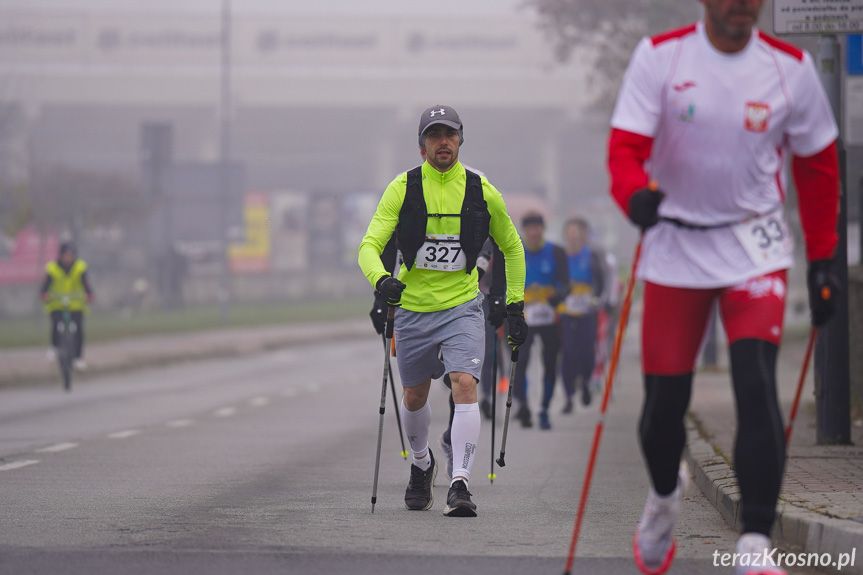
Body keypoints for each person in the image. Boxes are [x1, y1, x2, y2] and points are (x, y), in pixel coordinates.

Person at [608, 2, 840, 574]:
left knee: (757, 384)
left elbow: (818, 165)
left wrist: (824, 257)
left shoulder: (791, 67)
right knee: (665, 408)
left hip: (753, 245)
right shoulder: (661, 58)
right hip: (676, 246)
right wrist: (634, 194)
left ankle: (755, 545)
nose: (742, 5)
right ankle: (665, 497)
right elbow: (625, 149)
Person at [359, 104, 527, 517]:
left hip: (462, 308)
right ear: (422, 147)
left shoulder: (481, 188)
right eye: (434, 136)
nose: (443, 142)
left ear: (460, 140)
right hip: (413, 311)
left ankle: (460, 483)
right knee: (414, 396)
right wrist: (382, 282)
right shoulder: (402, 188)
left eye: (449, 134)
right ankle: (422, 465)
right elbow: (369, 246)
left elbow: (512, 246)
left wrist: (515, 303)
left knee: (464, 384)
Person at [512, 212, 569, 430]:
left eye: (537, 228)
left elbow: (566, 284)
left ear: (543, 230)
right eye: (530, 229)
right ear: (524, 231)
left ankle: (544, 408)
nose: (534, 233)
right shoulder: (515, 251)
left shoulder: (556, 252)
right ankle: (524, 405)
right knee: (520, 361)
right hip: (522, 318)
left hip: (549, 319)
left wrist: (557, 296)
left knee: (549, 364)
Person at [557, 217, 606, 410]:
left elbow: (601, 279)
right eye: (569, 232)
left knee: (586, 350)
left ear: (583, 234)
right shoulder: (560, 255)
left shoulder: (591, 254)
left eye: (575, 232)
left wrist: (598, 299)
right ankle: (569, 395)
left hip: (587, 311)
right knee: (568, 352)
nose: (572, 236)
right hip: (566, 312)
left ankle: (585, 381)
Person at [40, 242, 94, 370]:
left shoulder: (80, 267)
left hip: (75, 304)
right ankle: (54, 347)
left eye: (71, 255)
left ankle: (78, 358)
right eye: (66, 255)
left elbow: (85, 283)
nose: (69, 258)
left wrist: (89, 294)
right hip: (57, 303)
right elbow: (46, 285)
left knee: (79, 331)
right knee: (56, 325)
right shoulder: (52, 268)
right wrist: (44, 294)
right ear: (61, 255)